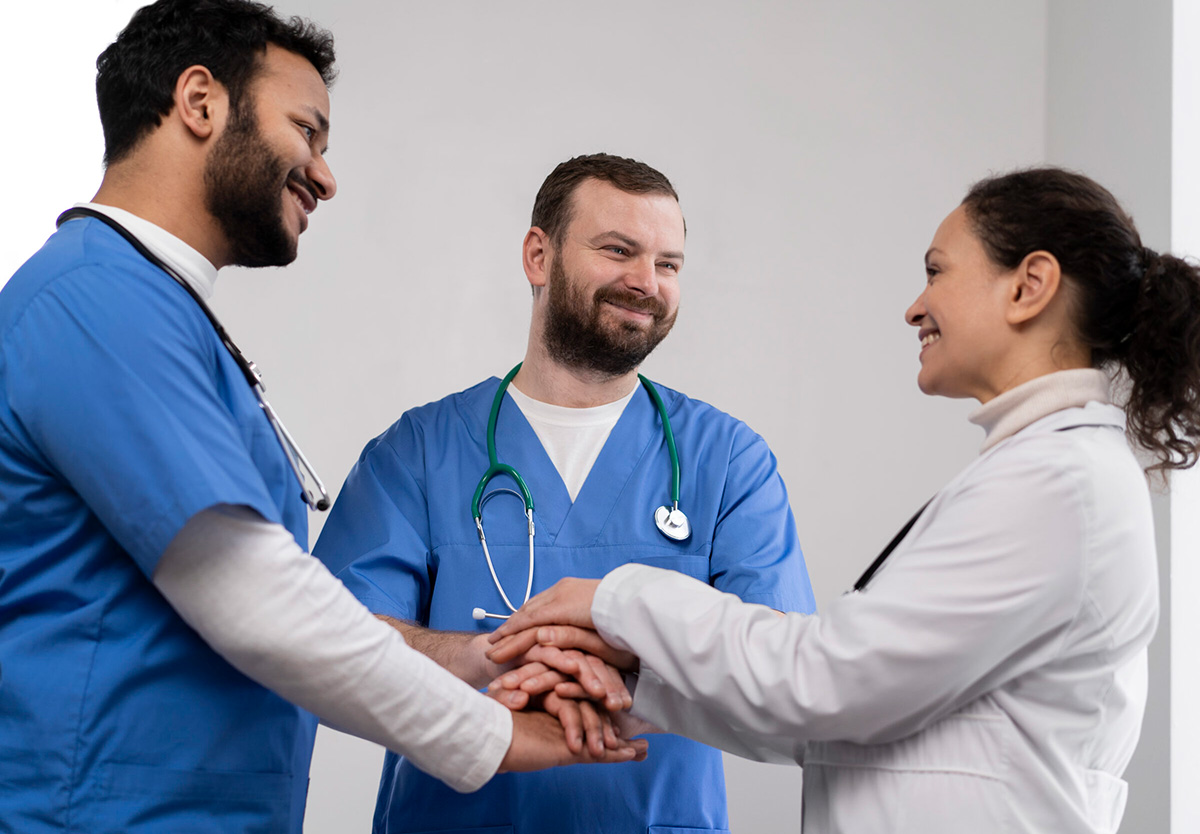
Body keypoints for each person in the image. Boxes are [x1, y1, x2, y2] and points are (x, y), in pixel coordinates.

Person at [0, 4, 641, 832]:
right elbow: (257, 598)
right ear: (200, 102)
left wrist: (480, 657)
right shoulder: (96, 302)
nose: (326, 175)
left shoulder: (152, 308)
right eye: (307, 130)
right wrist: (499, 734)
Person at [488, 166, 1192, 834]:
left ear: (1029, 285)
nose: (916, 305)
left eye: (937, 271)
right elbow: (835, 715)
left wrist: (617, 598)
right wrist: (629, 685)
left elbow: (825, 681)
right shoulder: (1040, 472)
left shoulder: (1059, 486)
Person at [312, 152, 816, 833]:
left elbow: (785, 668)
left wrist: (621, 666)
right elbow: (332, 641)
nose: (646, 282)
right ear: (537, 256)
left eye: (669, 264)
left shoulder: (727, 461)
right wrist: (489, 657)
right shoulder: (418, 451)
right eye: (619, 251)